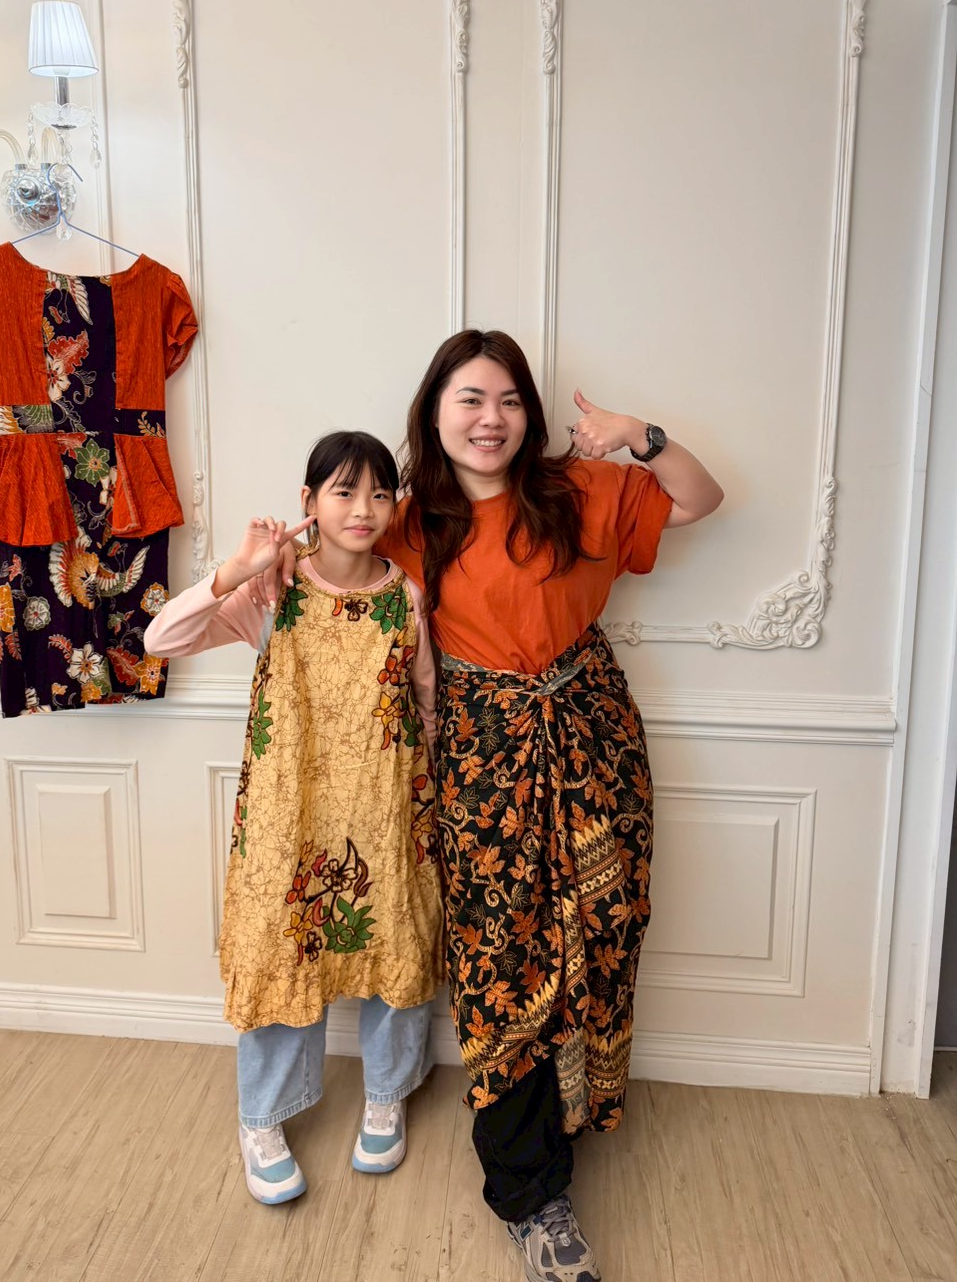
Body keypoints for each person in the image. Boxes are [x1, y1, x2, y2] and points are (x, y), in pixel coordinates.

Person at [254, 332, 723, 1281]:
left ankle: (569, 1118)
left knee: (599, 934)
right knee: (500, 959)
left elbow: (699, 497)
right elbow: (317, 585)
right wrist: (261, 562)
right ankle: (530, 1194)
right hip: (476, 757)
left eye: (508, 399)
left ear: (530, 414)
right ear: (435, 411)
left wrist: (640, 434)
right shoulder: (405, 522)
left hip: (593, 742)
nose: (490, 418)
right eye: (469, 398)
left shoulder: (578, 489)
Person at [144, 431, 443, 1206]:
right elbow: (160, 638)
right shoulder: (272, 590)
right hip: (290, 815)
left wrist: (432, 799)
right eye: (344, 491)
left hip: (384, 809)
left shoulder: (407, 595)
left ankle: (387, 1094)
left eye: (380, 492)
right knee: (281, 949)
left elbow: (426, 701)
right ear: (308, 501)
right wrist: (237, 569)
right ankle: (262, 1119)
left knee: (394, 941)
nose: (364, 508)